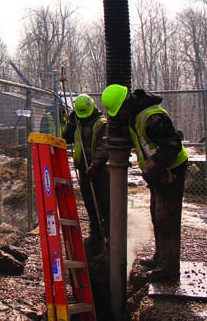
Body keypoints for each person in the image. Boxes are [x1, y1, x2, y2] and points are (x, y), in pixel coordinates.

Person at [101, 84, 189, 282]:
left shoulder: (152, 117)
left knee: (167, 219)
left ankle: (169, 269)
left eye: (120, 111)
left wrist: (154, 164)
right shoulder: (136, 116)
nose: (120, 116)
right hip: (161, 172)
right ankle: (161, 258)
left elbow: (173, 144)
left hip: (172, 170)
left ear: (126, 103)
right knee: (158, 216)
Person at [62, 94, 110, 251]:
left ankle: (109, 237)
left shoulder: (101, 124)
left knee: (104, 205)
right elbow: (66, 138)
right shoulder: (78, 122)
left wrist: (95, 166)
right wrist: (70, 123)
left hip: (100, 172)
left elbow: (104, 148)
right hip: (84, 170)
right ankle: (96, 234)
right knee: (90, 204)